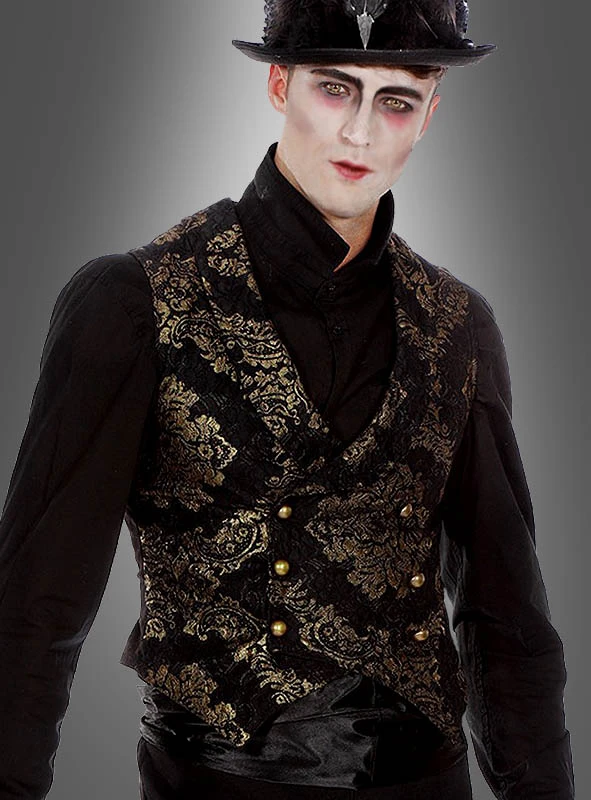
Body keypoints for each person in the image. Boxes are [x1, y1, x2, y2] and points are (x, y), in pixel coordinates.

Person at [0, 1, 575, 798]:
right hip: (215, 784)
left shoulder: (458, 326)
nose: (360, 133)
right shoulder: (134, 303)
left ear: (428, 116)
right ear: (279, 85)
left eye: (395, 101)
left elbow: (506, 618)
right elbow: (37, 611)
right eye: (334, 89)